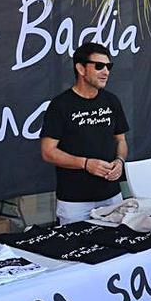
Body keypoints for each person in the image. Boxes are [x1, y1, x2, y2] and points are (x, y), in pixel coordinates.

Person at [40, 42, 129, 224]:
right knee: (75, 249)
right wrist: (86, 164)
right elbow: (48, 152)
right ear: (80, 68)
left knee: (117, 249)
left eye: (108, 66)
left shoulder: (112, 101)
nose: (106, 71)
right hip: (74, 201)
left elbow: (121, 140)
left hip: (112, 196)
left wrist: (120, 161)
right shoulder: (60, 105)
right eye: (99, 66)